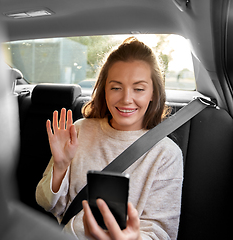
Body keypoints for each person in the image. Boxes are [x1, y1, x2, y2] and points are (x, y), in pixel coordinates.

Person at [36, 37, 183, 240]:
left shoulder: (166, 154)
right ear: (104, 89)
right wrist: (60, 167)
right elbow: (47, 204)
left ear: (153, 93)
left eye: (139, 89)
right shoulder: (78, 131)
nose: (126, 99)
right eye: (116, 87)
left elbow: (162, 233)